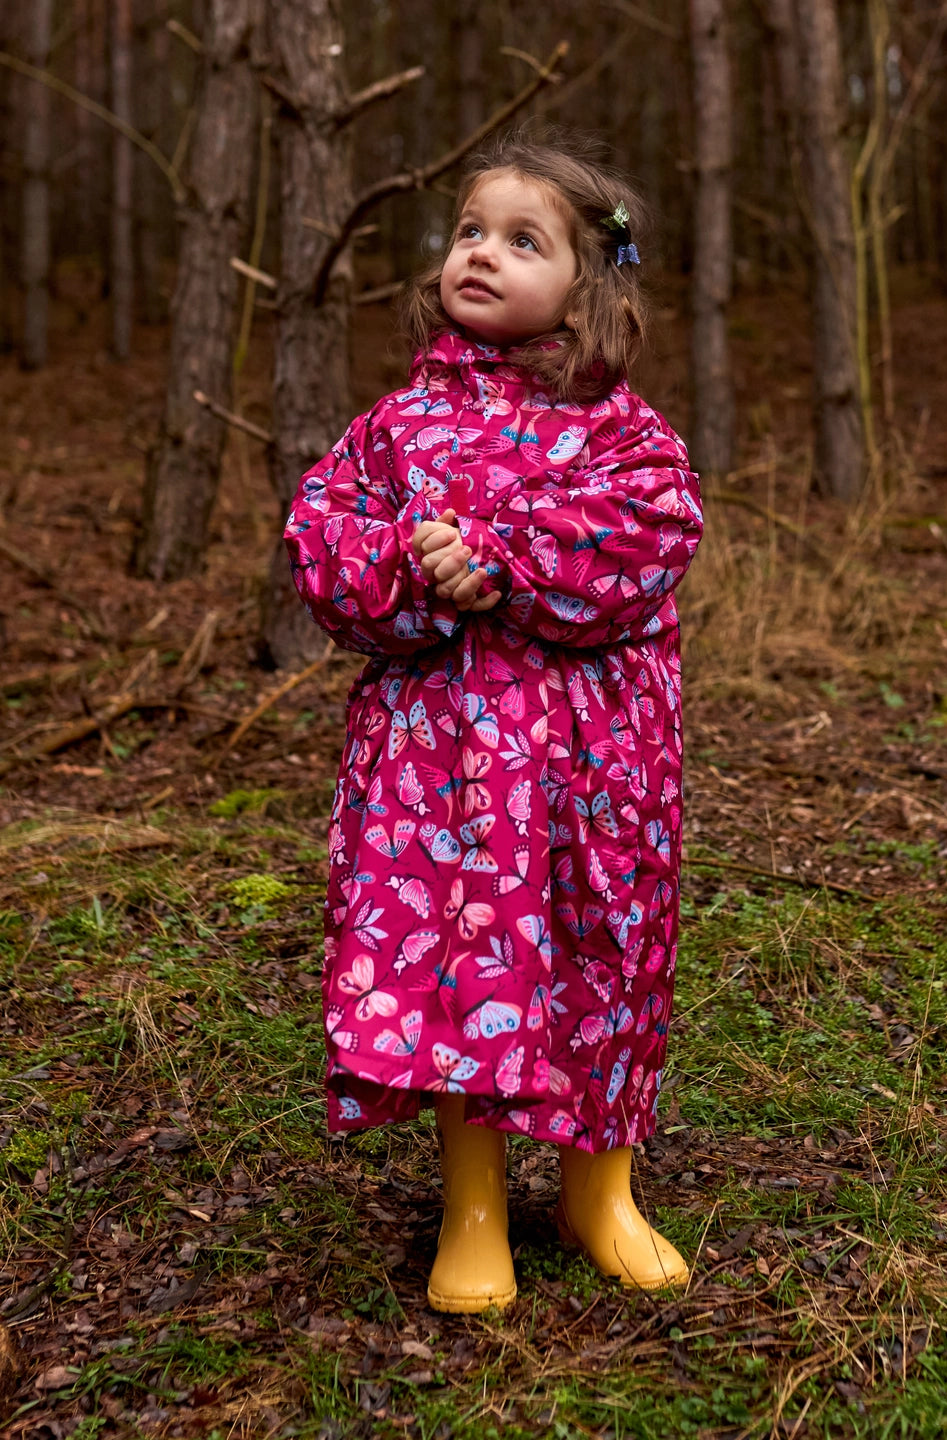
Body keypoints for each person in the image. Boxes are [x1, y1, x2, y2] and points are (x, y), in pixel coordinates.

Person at [284, 133, 703, 1314]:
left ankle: (598, 1190)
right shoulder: (398, 426)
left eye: (526, 240)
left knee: (599, 961)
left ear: (589, 280)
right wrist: (418, 580)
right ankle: (472, 1208)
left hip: (593, 772)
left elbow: (656, 535)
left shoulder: (620, 429)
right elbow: (324, 543)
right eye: (473, 229)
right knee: (465, 970)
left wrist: (509, 562)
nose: (485, 252)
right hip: (441, 776)